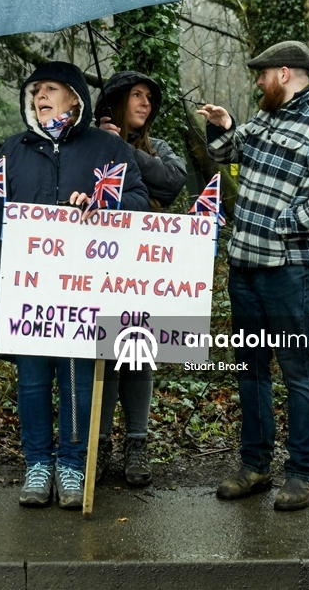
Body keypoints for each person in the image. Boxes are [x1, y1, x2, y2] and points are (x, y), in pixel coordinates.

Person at [0, 61, 150, 509]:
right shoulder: (15, 148)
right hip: (23, 286)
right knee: (31, 380)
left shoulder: (107, 148)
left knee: (78, 379)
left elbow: (140, 200)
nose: (39, 97)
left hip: (84, 289)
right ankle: (37, 464)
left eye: (49, 89)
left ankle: (72, 464)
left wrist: (102, 200)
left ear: (74, 97)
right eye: (34, 91)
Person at [196, 41, 309, 512]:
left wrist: (279, 226)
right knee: (251, 369)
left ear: (285, 73)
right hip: (244, 267)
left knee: (298, 371)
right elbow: (229, 153)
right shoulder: (267, 116)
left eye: (262, 75)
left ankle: (301, 475)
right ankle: (255, 467)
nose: (257, 82)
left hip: (288, 272)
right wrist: (223, 126)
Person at [93, 71, 187, 487]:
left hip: (144, 269)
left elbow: (171, 182)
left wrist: (126, 151)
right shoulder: (90, 142)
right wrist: (103, 144)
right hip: (96, 265)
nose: (145, 102)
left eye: (150, 96)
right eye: (136, 95)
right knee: (102, 352)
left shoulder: (159, 148)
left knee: (137, 349)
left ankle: (137, 442)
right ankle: (99, 442)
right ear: (115, 101)